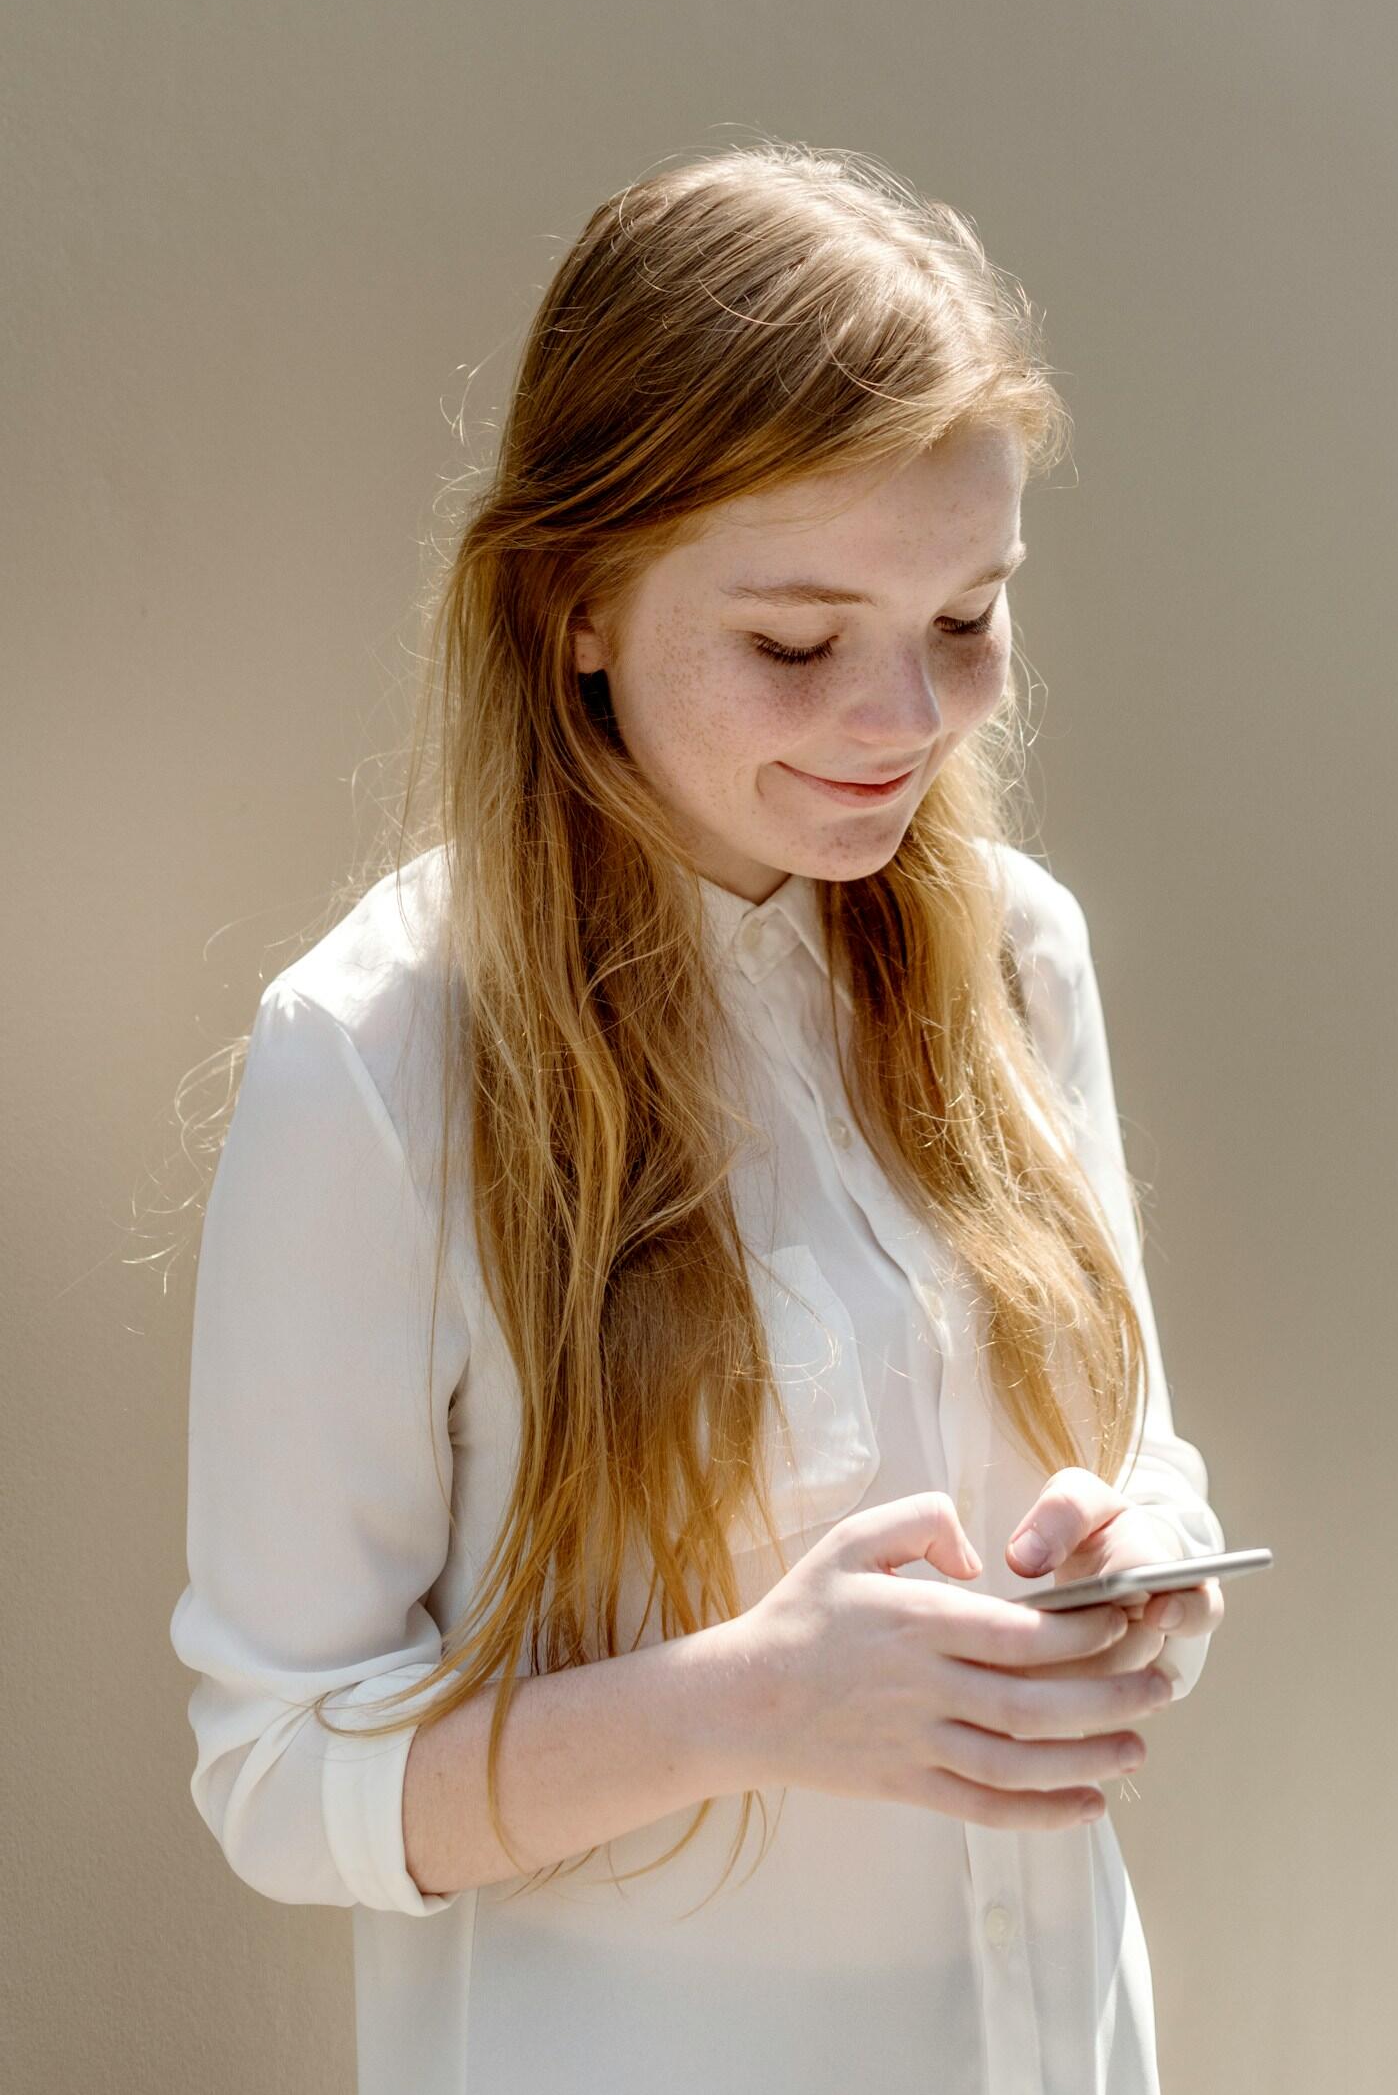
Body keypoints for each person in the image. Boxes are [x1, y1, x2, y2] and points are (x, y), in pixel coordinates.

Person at [169, 139, 1230, 2095]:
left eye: (970, 619)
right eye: (798, 642)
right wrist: (750, 1704)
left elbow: (1144, 1460)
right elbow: (278, 1767)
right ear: (575, 609)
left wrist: (1137, 1570)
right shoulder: (380, 1060)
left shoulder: (1021, 958)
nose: (902, 721)